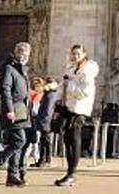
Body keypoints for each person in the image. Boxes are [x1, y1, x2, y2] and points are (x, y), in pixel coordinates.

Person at [52, 45, 97, 188]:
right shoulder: (71, 68)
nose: (75, 56)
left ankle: (72, 173)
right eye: (73, 54)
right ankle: (69, 172)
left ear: (84, 54)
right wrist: (58, 96)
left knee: (74, 138)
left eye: (78, 54)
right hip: (67, 107)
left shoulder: (88, 71)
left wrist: (69, 85)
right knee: (66, 138)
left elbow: (85, 91)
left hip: (80, 108)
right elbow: (62, 85)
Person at [0, 44, 34, 186]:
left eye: (27, 55)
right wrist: (9, 109)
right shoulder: (9, 68)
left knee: (18, 143)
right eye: (21, 54)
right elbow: (5, 90)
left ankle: (13, 174)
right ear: (15, 53)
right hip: (15, 110)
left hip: (23, 111)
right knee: (19, 141)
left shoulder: (23, 70)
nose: (24, 57)